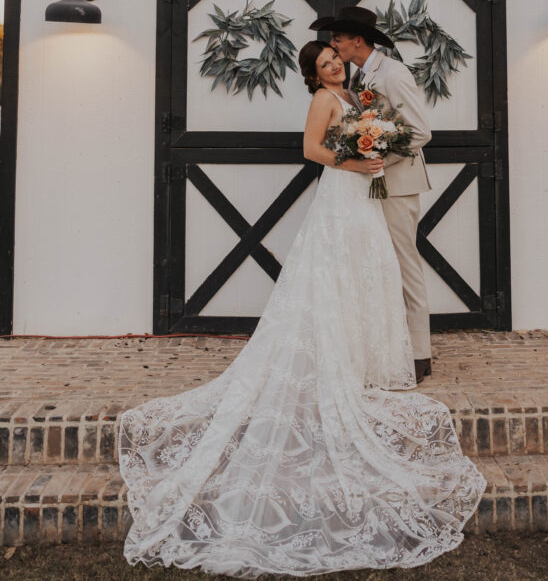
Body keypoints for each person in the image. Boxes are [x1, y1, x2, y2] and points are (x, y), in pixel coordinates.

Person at [118, 41, 485, 576]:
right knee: (335, 274)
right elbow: (312, 150)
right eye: (324, 65)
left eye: (335, 59)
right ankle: (336, 356)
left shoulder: (353, 92)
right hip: (342, 191)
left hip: (364, 195)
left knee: (368, 272)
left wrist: (373, 144)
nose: (333, 66)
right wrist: (357, 159)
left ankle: (365, 358)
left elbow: (379, 130)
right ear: (312, 75)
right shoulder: (323, 100)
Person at [310, 5, 433, 383]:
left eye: (337, 40)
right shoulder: (360, 76)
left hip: (397, 185)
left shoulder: (392, 73)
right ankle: (388, 349)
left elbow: (419, 131)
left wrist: (378, 162)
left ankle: (420, 355)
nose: (333, 47)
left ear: (356, 41)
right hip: (370, 187)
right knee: (380, 268)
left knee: (404, 265)